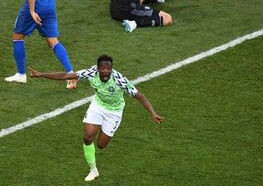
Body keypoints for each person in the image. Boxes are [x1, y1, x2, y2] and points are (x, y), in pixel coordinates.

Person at [29, 55, 164, 182]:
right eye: (103, 68)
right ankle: (93, 170)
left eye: (108, 68)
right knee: (88, 137)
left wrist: (153, 113)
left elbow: (139, 95)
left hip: (114, 113)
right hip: (98, 107)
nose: (106, 71)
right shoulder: (91, 72)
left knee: (101, 145)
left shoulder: (119, 80)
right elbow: (65, 75)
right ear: (98, 68)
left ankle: (105, 130)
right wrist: (41, 74)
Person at [5, 0, 76, 89]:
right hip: (50, 7)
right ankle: (71, 74)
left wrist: (31, 11)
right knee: (53, 41)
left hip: (35, 7)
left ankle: (21, 74)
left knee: (17, 36)